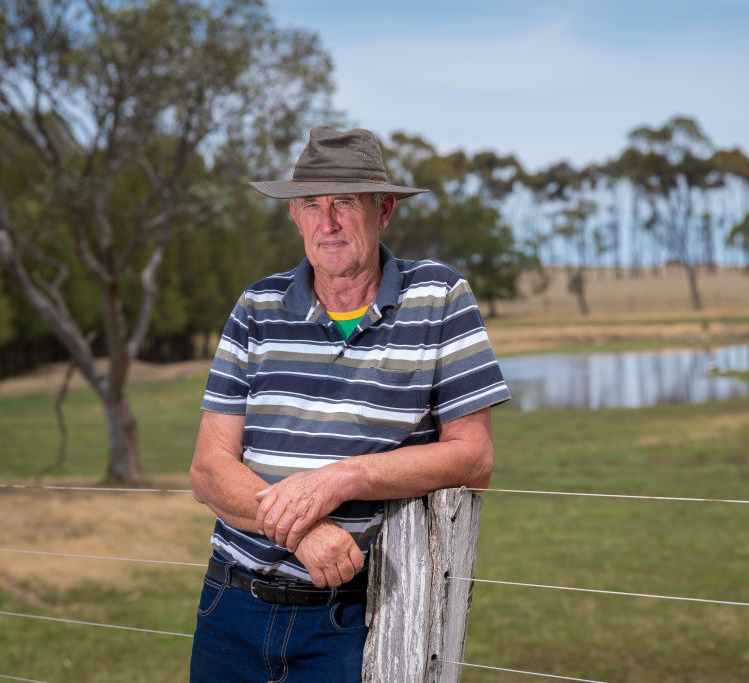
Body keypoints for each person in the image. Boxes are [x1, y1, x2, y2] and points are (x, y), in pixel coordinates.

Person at [188, 126, 511, 682]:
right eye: (311, 205)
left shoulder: (438, 298)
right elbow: (208, 470)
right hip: (231, 604)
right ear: (294, 215)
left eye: (344, 203)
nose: (327, 222)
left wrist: (341, 480)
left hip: (352, 615)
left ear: (383, 210)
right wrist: (302, 530)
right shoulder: (257, 307)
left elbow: (473, 457)